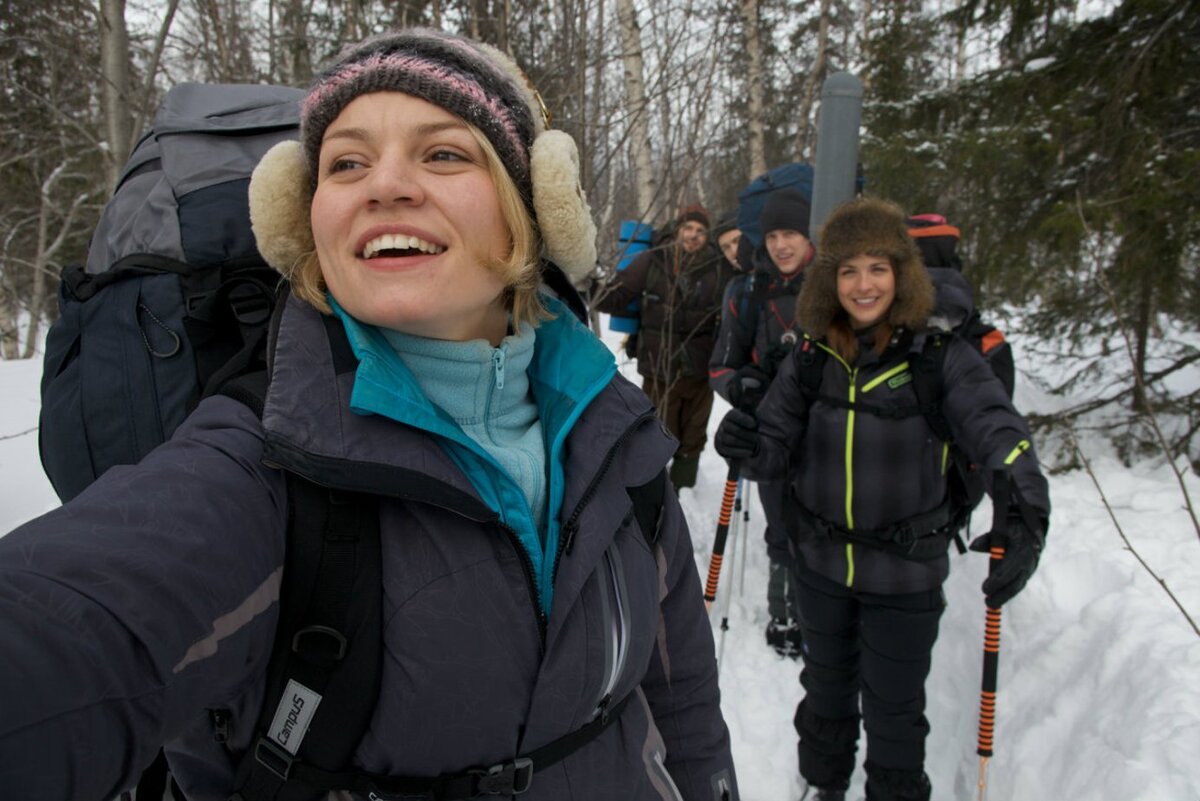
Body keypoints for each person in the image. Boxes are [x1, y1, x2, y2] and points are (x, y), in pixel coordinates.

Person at [0, 29, 738, 801]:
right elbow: (76, 623)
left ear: (531, 206)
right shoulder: (260, 464)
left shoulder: (613, 434)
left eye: (444, 153)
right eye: (346, 162)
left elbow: (678, 691)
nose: (383, 186)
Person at [714, 197, 1049, 801]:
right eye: (847, 270)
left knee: (895, 714)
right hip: (819, 567)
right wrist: (742, 440)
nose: (863, 284)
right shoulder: (811, 358)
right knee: (825, 696)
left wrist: (1025, 508)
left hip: (905, 577)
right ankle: (821, 787)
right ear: (829, 281)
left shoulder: (940, 359)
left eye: (877, 268)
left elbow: (1001, 433)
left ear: (902, 274)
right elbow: (772, 447)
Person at [708, 187, 813, 656]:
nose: (781, 245)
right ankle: (784, 612)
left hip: (831, 429)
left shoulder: (836, 285)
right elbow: (720, 366)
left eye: (791, 232)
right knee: (782, 525)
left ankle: (824, 613)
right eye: (772, 235)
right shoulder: (747, 291)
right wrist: (742, 387)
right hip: (771, 432)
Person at [595, 203, 734, 490]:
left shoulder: (718, 268)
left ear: (707, 236)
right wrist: (587, 283)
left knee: (693, 436)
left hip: (700, 371)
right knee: (655, 434)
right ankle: (651, 492)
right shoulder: (653, 260)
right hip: (659, 368)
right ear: (678, 228)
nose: (693, 236)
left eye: (700, 231)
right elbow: (616, 296)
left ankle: (681, 491)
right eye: (688, 228)